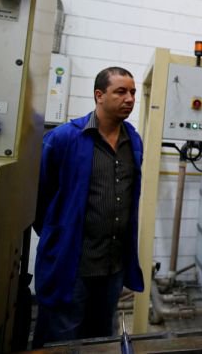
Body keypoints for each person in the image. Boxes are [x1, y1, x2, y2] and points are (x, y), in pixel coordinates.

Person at [33, 67, 144, 347]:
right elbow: (40, 197)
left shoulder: (133, 141)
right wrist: (58, 237)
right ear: (99, 95)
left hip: (112, 267)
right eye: (121, 91)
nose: (129, 98)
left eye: (132, 92)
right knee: (62, 338)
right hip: (73, 266)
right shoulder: (63, 139)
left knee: (99, 339)